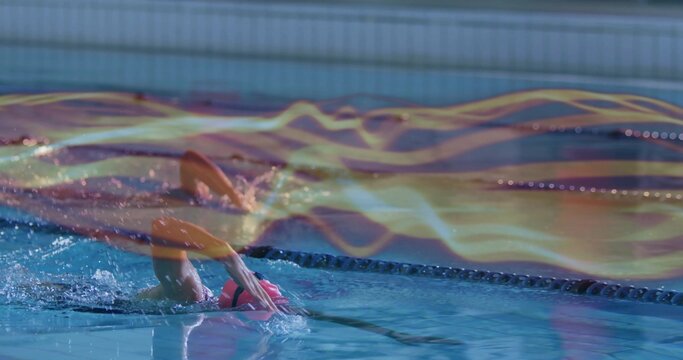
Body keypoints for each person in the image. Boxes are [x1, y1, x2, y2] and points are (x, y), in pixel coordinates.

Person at [136, 149, 281, 312]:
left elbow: (163, 228)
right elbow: (190, 159)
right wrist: (237, 201)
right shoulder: (196, 295)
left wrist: (227, 255)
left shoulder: (190, 295)